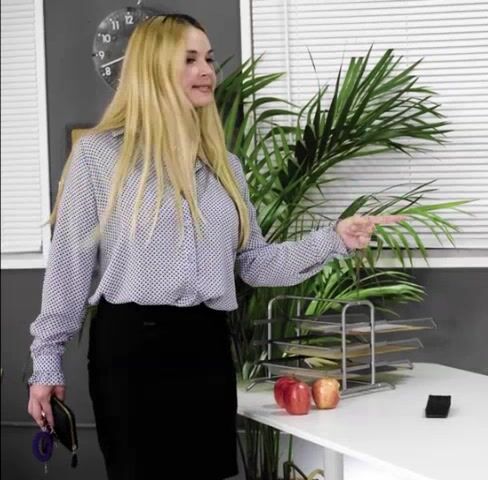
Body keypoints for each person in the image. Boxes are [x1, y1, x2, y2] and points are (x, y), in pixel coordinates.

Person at [25, 14, 401, 479]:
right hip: (132, 352)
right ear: (153, 68)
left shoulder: (226, 167)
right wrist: (46, 364)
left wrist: (334, 239)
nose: (207, 71)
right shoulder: (100, 157)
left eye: (207, 58)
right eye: (189, 60)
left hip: (205, 345)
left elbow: (254, 264)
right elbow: (69, 267)